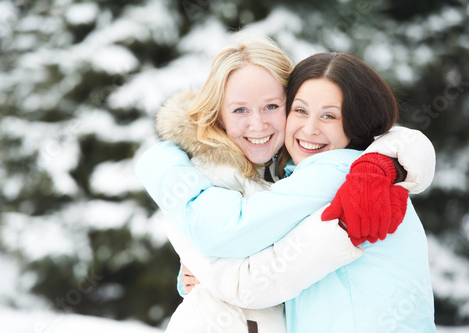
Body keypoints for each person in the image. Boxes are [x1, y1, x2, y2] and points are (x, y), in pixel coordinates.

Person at [136, 36, 435, 332]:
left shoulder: (339, 172)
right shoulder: (291, 173)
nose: (309, 128)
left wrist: (161, 162)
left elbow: (234, 243)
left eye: (272, 106)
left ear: (355, 121)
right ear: (220, 115)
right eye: (301, 111)